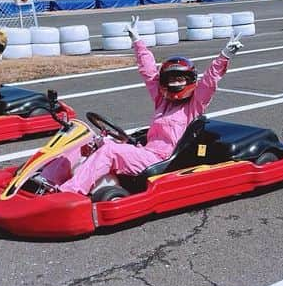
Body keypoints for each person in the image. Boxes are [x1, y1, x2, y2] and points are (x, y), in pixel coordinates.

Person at [50, 16, 243, 197]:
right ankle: (48, 180)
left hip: (162, 160)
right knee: (88, 142)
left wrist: (224, 56)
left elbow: (209, 82)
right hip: (145, 150)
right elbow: (149, 72)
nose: (175, 83)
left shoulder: (193, 106)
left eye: (180, 78)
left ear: (190, 80)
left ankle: (68, 193)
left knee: (110, 152)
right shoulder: (162, 100)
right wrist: (137, 40)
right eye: (171, 79)